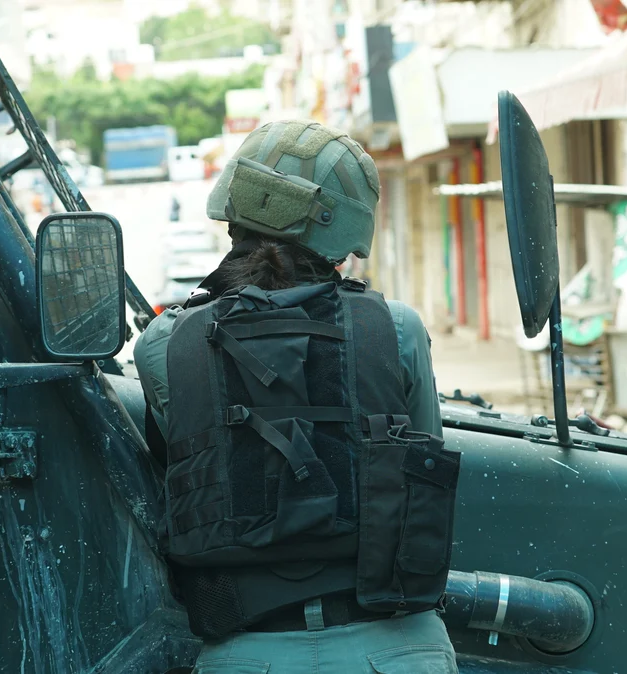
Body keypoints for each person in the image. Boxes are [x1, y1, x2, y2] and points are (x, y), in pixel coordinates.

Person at [134, 120, 460, 673]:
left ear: (234, 211)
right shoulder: (397, 330)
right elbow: (421, 466)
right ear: (343, 230)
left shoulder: (165, 345)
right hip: (399, 645)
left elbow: (187, 467)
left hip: (246, 653)